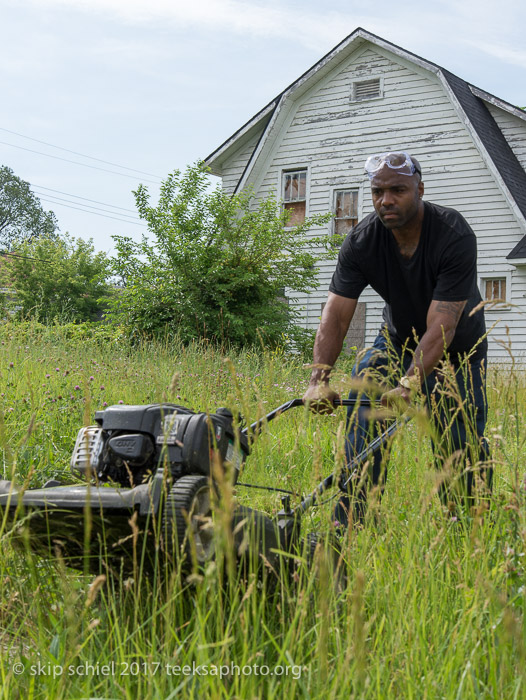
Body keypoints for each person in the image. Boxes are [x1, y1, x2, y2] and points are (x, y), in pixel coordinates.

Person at [302, 151, 491, 528]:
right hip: (396, 339)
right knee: (363, 407)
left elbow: (443, 325)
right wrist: (317, 381)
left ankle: (466, 528)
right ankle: (353, 521)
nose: (385, 200)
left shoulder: (453, 233)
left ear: (419, 189)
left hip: (458, 351)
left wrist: (410, 382)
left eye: (398, 190)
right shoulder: (361, 240)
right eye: (377, 191)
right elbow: (336, 315)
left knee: (458, 440)